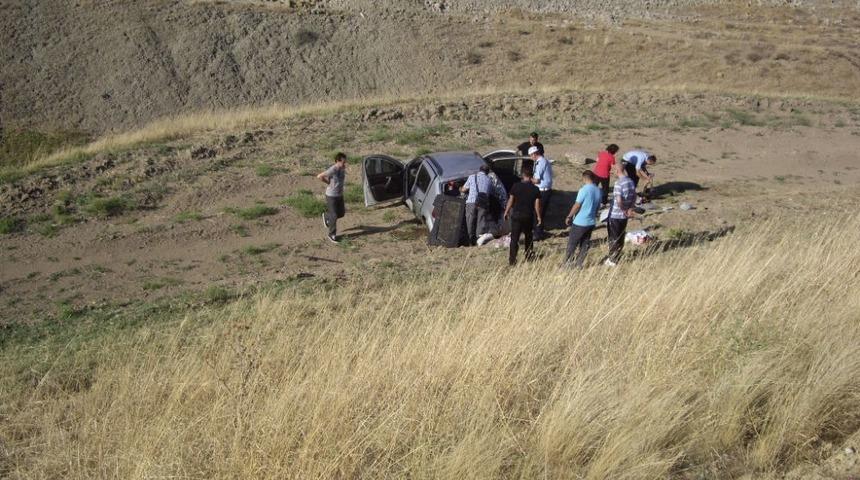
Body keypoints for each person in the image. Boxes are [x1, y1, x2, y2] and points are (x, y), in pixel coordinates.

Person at [504, 165, 542, 266]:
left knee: (514, 239)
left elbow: (511, 200)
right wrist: (538, 216)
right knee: (528, 237)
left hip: (516, 215)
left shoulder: (516, 186)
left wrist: (506, 211)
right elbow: (537, 205)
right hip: (528, 216)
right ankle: (529, 257)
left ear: (522, 175)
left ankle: (512, 260)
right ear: (531, 176)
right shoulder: (535, 189)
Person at [563, 171, 602, 268]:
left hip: (580, 221)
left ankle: (567, 263)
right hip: (591, 221)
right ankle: (579, 263)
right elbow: (598, 207)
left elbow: (577, 205)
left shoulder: (584, 190)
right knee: (585, 244)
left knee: (572, 243)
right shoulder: (598, 190)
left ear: (584, 178)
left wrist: (569, 216)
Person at [605, 162, 637, 267]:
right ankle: (617, 256)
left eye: (613, 170)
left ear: (618, 171)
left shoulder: (618, 183)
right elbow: (634, 197)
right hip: (625, 216)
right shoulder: (630, 181)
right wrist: (629, 209)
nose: (612, 172)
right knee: (620, 236)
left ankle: (612, 260)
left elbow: (618, 200)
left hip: (616, 215)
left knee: (613, 237)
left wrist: (623, 210)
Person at [460, 164, 494, 245]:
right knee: (480, 221)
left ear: (479, 170)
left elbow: (464, 190)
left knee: (470, 221)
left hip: (471, 202)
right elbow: (490, 193)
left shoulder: (472, 177)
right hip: (483, 203)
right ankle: (478, 240)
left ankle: (470, 240)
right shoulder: (489, 180)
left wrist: (460, 188)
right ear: (487, 172)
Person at [317, 152, 347, 243]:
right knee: (334, 215)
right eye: (343, 162)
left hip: (339, 195)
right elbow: (319, 176)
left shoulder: (342, 168)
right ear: (337, 161)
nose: (345, 164)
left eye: (345, 162)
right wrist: (328, 183)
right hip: (331, 195)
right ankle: (331, 235)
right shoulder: (333, 169)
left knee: (341, 213)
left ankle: (326, 217)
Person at [530, 146, 553, 240]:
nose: (531, 158)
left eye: (531, 156)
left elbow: (537, 181)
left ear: (534, 154)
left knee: (538, 212)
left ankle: (538, 234)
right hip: (545, 190)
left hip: (542, 191)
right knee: (540, 212)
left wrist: (527, 179)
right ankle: (539, 231)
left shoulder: (540, 163)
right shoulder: (544, 161)